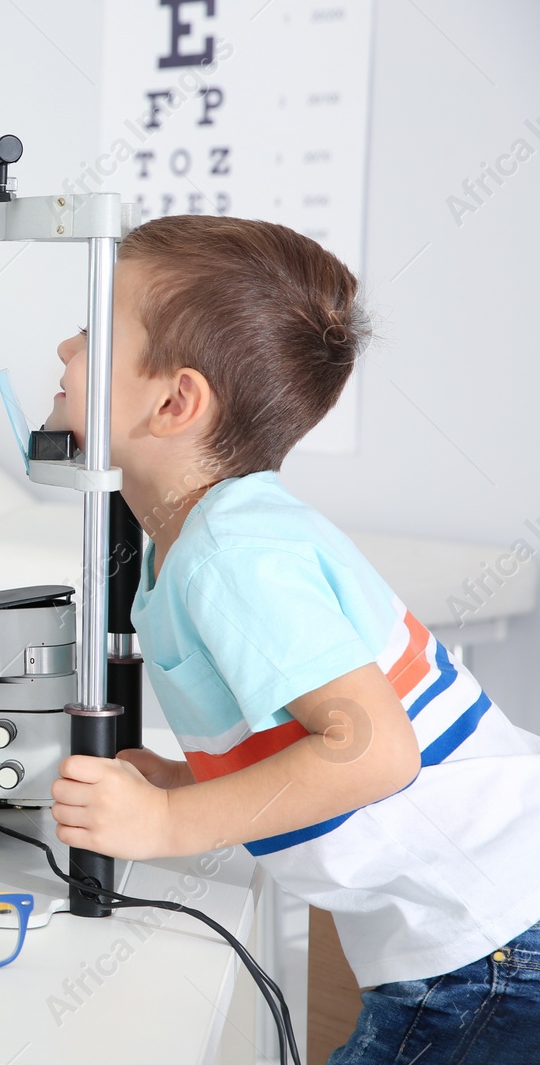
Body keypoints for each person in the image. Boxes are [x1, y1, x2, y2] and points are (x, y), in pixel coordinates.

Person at [42, 213, 540, 1062]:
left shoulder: (230, 552)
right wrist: (186, 775)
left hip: (488, 942)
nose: (63, 346)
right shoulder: (210, 538)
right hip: (482, 919)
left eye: (91, 326)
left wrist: (168, 819)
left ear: (175, 401)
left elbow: (374, 750)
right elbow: (304, 734)